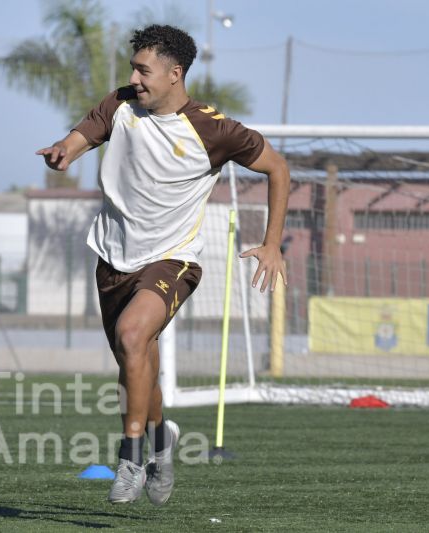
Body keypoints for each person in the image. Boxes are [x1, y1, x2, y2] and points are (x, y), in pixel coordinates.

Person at [37, 24, 290, 505]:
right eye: (133, 67)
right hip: (113, 257)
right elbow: (83, 134)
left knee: (134, 336)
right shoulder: (121, 104)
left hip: (174, 259)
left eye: (143, 69)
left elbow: (278, 168)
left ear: (175, 74)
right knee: (136, 366)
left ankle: (131, 457)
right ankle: (160, 442)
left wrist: (272, 243)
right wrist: (62, 152)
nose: (133, 77)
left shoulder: (214, 129)